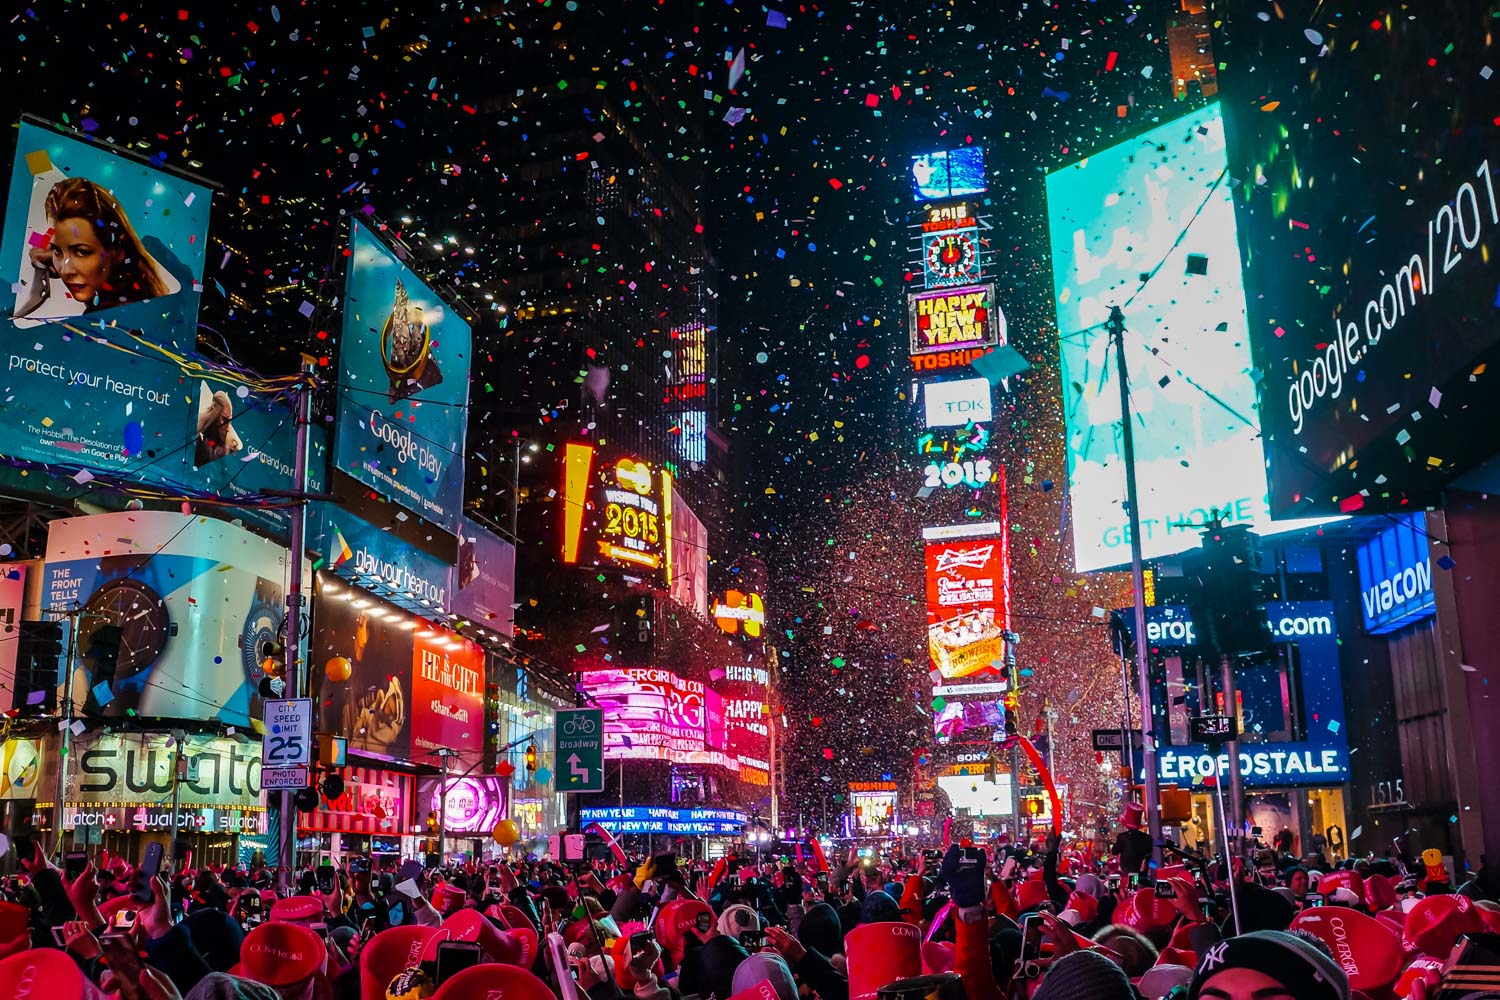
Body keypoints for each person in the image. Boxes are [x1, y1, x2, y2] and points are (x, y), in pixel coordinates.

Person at [16, 176, 174, 317]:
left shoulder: (111, 320)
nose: (65, 270)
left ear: (118, 251)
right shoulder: (138, 304)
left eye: (81, 252)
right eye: (58, 251)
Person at [1112, 803, 1153, 878]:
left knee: (1131, 888)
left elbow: (1114, 851)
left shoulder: (1122, 837)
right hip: (1142, 874)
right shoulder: (1147, 838)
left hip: (1126, 874)